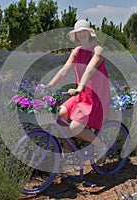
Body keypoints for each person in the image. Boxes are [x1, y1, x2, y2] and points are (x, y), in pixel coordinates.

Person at [46, 19, 111, 165]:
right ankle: (68, 148)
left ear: (89, 33)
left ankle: (101, 146)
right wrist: (48, 86)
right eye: (78, 32)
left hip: (96, 96)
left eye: (83, 31)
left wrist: (80, 87)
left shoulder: (98, 50)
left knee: (75, 128)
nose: (81, 34)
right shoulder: (76, 51)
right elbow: (64, 70)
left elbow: (90, 69)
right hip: (80, 95)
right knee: (59, 115)